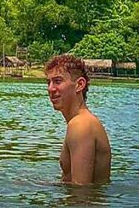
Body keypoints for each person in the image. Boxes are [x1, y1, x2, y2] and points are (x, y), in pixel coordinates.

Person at [45, 54, 111, 185]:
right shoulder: (83, 121)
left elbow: (81, 192)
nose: (50, 89)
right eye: (49, 82)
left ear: (79, 85)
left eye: (58, 81)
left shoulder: (81, 125)